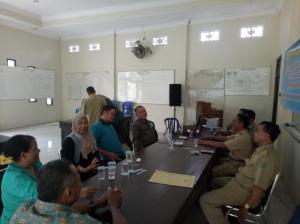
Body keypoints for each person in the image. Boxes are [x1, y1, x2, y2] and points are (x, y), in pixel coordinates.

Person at [200, 121, 281, 224]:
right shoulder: (261, 150)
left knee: (205, 200)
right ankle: (222, 211)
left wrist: (245, 207)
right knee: (215, 182)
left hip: (243, 191)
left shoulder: (266, 158)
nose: (254, 133)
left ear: (266, 135)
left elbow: (259, 189)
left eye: (257, 131)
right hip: (239, 183)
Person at [10, 159, 127, 224]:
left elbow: (59, 211)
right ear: (69, 193)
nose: (81, 184)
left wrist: (96, 202)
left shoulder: (24, 208)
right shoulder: (78, 221)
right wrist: (114, 206)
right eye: (79, 180)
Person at [61, 113, 120, 181]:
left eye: (85, 123)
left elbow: (96, 152)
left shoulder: (89, 137)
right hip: (79, 174)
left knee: (113, 165)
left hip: (93, 168)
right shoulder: (69, 141)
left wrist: (94, 160)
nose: (83, 126)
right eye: (79, 123)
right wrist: (86, 169)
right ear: (74, 125)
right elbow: (67, 163)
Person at [1, 135, 42, 224]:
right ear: (23, 155)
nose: (39, 150)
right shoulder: (15, 179)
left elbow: (48, 176)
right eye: (35, 149)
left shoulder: (34, 163)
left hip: (33, 213)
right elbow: (43, 197)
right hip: (16, 220)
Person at [199, 113, 253, 179]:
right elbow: (226, 138)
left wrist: (204, 142)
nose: (233, 123)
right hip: (232, 159)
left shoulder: (243, 137)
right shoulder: (241, 133)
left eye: (235, 121)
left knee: (212, 171)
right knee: (212, 162)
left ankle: (212, 185)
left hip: (237, 164)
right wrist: (210, 137)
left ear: (241, 124)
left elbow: (222, 145)